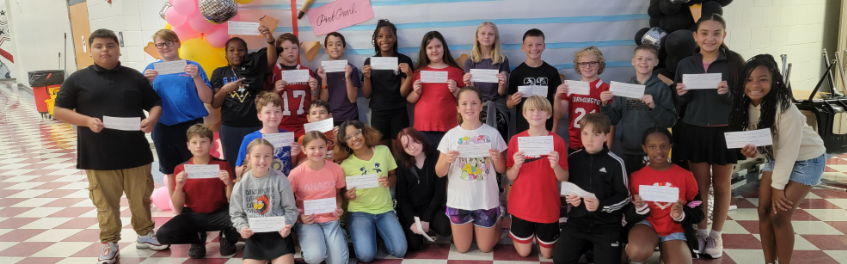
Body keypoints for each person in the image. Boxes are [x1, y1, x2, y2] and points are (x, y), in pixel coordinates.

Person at [53, 29, 169, 264]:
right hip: (97, 153)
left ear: (118, 48)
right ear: (91, 50)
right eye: (99, 46)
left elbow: (155, 102)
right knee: (105, 202)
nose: (105, 50)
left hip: (135, 151)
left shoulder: (134, 77)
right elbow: (58, 110)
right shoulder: (77, 79)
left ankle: (145, 235)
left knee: (141, 198)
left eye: (110, 45)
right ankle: (110, 242)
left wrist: (153, 118)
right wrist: (86, 121)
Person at [729, 54, 827, 264]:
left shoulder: (785, 109)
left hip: (807, 160)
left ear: (774, 82)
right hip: (776, 157)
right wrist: (751, 151)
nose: (755, 84)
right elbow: (759, 141)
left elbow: (788, 151)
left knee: (779, 216)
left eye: (763, 79)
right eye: (749, 79)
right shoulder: (745, 106)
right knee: (763, 211)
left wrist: (777, 187)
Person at [673, 14, 745, 258]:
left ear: (724, 36)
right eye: (704, 33)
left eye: (716, 33)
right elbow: (680, 103)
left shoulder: (735, 63)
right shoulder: (685, 64)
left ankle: (716, 234)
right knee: (700, 184)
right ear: (695, 36)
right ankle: (701, 231)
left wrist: (726, 94)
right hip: (694, 129)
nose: (710, 38)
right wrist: (681, 93)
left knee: (722, 184)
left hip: (725, 130)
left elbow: (745, 101)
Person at [435, 86, 507, 253]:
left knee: (485, 247)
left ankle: (499, 216)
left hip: (485, 199)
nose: (469, 107)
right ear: (458, 108)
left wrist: (497, 159)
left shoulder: (492, 133)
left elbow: (502, 169)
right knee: (462, 248)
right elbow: (439, 172)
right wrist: (446, 160)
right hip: (459, 201)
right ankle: (474, 229)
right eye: (465, 104)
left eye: (474, 103)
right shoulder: (451, 136)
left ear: (481, 106)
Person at [143, 29, 214, 197]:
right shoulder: (151, 70)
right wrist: (146, 83)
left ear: (177, 43)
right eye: (160, 44)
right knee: (170, 170)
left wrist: (196, 78)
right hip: (164, 127)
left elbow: (208, 98)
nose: (165, 47)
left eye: (169, 42)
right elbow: (143, 101)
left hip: (193, 127)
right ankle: (178, 209)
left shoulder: (193, 67)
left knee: (197, 167)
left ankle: (201, 204)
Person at [553, 113, 629, 264]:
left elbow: (625, 197)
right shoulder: (573, 158)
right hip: (577, 224)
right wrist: (571, 199)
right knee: (560, 259)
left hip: (606, 227)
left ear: (606, 137)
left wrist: (600, 205)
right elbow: (568, 189)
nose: (589, 139)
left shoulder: (616, 163)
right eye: (585, 133)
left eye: (596, 134)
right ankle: (587, 247)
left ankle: (600, 249)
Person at [156, 124, 240, 259]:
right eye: (194, 142)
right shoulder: (181, 168)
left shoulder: (223, 165)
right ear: (188, 145)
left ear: (212, 144)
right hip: (193, 215)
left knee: (243, 218)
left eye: (203, 142)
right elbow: (177, 207)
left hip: (220, 212)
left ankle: (227, 238)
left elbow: (231, 200)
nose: (198, 146)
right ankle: (197, 239)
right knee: (163, 234)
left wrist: (229, 183)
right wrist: (178, 186)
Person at [625, 128, 703, 264]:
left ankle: (667, 252)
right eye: (652, 147)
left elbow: (697, 209)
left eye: (663, 146)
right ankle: (636, 251)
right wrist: (638, 208)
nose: (658, 151)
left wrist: (681, 214)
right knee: (637, 251)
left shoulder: (686, 175)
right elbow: (627, 212)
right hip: (647, 223)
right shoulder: (636, 177)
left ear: (670, 147)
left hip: (674, 228)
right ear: (644, 148)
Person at [506, 95, 569, 259]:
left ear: (548, 114)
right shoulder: (515, 140)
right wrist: (516, 165)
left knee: (548, 254)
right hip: (521, 205)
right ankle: (524, 234)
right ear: (525, 114)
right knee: (524, 252)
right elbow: (510, 175)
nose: (536, 113)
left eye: (541, 109)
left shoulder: (558, 142)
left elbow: (565, 177)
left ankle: (550, 229)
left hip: (547, 206)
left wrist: (555, 166)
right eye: (531, 110)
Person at [335, 120, 407, 262]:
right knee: (366, 256)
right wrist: (347, 195)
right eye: (349, 137)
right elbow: (342, 192)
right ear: (345, 142)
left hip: (384, 209)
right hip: (359, 212)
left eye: (356, 133)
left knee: (400, 251)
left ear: (364, 132)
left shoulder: (383, 151)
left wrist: (389, 181)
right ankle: (371, 232)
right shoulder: (345, 165)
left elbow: (393, 175)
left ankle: (378, 231)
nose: (354, 138)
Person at [210, 25, 280, 170]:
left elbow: (271, 61)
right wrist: (225, 90)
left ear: (246, 52)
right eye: (232, 50)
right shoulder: (219, 72)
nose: (236, 53)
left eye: (240, 50)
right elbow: (215, 103)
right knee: (232, 164)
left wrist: (270, 40)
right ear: (226, 55)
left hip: (255, 126)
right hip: (230, 127)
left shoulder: (255, 68)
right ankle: (236, 192)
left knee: (257, 164)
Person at [600, 44, 676, 175]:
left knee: (651, 188)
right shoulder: (624, 88)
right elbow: (613, 119)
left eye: (649, 59)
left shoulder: (662, 88)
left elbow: (670, 121)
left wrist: (654, 107)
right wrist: (605, 104)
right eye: (640, 58)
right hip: (629, 148)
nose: (644, 62)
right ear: (633, 61)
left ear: (656, 62)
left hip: (654, 151)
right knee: (631, 186)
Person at [230, 138, 299, 264]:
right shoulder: (241, 183)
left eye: (267, 156)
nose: (262, 161)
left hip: (279, 234)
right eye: (257, 156)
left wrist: (287, 225)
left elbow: (291, 210)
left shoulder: (280, 179)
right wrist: (242, 227)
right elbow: (236, 214)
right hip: (254, 236)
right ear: (248, 158)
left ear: (272, 157)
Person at [288, 131, 349, 264]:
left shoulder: (336, 169)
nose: (317, 151)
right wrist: (299, 216)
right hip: (308, 221)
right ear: (304, 149)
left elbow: (338, 194)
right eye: (312, 148)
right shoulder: (295, 174)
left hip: (330, 219)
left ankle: (340, 234)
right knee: (315, 258)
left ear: (327, 147)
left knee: (339, 262)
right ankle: (310, 247)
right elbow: (287, 201)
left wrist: (338, 207)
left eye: (321, 147)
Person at [393, 128, 452, 252]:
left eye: (414, 141)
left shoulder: (436, 157)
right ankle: (418, 230)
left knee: (446, 228)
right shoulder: (401, 165)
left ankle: (430, 226)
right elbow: (402, 199)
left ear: (421, 139)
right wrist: (412, 220)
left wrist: (426, 219)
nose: (412, 147)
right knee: (414, 246)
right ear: (402, 149)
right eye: (406, 146)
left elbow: (439, 193)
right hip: (411, 211)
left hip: (432, 208)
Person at [362, 19, 415, 149]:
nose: (384, 39)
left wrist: (409, 75)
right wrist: (367, 77)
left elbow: (403, 92)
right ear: (376, 40)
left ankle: (400, 171)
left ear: (395, 38)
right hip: (378, 113)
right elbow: (367, 94)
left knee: (400, 153)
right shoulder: (370, 61)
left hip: (399, 112)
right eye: (380, 36)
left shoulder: (404, 60)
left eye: (389, 36)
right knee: (382, 153)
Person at [407, 31, 465, 146]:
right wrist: (416, 92)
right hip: (423, 126)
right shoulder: (418, 72)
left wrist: (455, 90)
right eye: (430, 47)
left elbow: (465, 98)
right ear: (425, 50)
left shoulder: (456, 71)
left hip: (450, 125)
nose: (434, 50)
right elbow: (410, 99)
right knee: (427, 161)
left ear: (444, 47)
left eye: (438, 46)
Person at [555, 46, 614, 153]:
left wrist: (608, 145)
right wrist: (558, 96)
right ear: (578, 66)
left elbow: (611, 121)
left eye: (592, 63)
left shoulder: (605, 88)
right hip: (575, 142)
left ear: (599, 64)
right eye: (583, 63)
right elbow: (559, 114)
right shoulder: (571, 87)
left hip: (597, 142)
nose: (587, 66)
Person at [506, 29, 563, 133]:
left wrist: (554, 128)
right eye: (530, 45)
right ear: (523, 48)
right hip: (523, 128)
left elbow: (556, 105)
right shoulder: (516, 73)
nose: (534, 48)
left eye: (538, 44)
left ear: (544, 46)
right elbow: (509, 104)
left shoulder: (552, 72)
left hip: (546, 128)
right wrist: (513, 101)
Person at [463, 21, 510, 141]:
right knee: (478, 144)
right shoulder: (470, 62)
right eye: (483, 33)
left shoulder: (502, 60)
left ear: (495, 38)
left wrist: (503, 83)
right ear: (477, 37)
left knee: (498, 146)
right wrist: (468, 84)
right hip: (477, 109)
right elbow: (472, 93)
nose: (486, 37)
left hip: (498, 109)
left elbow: (501, 93)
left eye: (490, 34)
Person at [235, 92, 301, 177]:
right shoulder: (249, 139)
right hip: (260, 187)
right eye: (268, 112)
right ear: (259, 116)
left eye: (277, 111)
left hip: (283, 186)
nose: (273, 116)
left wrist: (294, 156)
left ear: (282, 114)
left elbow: (292, 167)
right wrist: (253, 163)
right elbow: (238, 172)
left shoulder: (288, 136)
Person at [267, 33, 320, 138]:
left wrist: (314, 90)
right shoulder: (273, 72)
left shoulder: (307, 71)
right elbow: (264, 101)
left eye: (294, 48)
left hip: (305, 125)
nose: (290, 51)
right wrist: (274, 90)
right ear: (279, 52)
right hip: (280, 125)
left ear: (298, 50)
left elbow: (314, 101)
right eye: (285, 48)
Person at [316, 32, 361, 125]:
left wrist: (348, 77)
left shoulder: (352, 69)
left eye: (338, 44)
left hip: (350, 117)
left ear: (344, 49)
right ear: (326, 49)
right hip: (329, 118)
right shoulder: (320, 72)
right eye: (330, 44)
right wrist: (324, 78)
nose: (335, 47)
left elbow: (353, 99)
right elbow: (323, 101)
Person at [295, 100, 337, 164]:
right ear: (308, 118)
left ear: (330, 115)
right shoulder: (303, 139)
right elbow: (300, 163)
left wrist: (340, 138)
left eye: (322, 113)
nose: (318, 116)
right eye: (314, 113)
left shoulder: (337, 134)